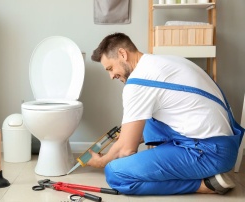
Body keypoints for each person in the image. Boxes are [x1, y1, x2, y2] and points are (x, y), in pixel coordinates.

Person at [88, 32, 244, 195]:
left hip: (210, 153)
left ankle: (204, 185)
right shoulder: (164, 61)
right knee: (147, 118)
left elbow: (125, 150)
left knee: (115, 173)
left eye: (110, 68)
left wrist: (103, 161)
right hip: (225, 145)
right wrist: (132, 135)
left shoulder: (137, 82)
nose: (111, 76)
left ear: (122, 54)